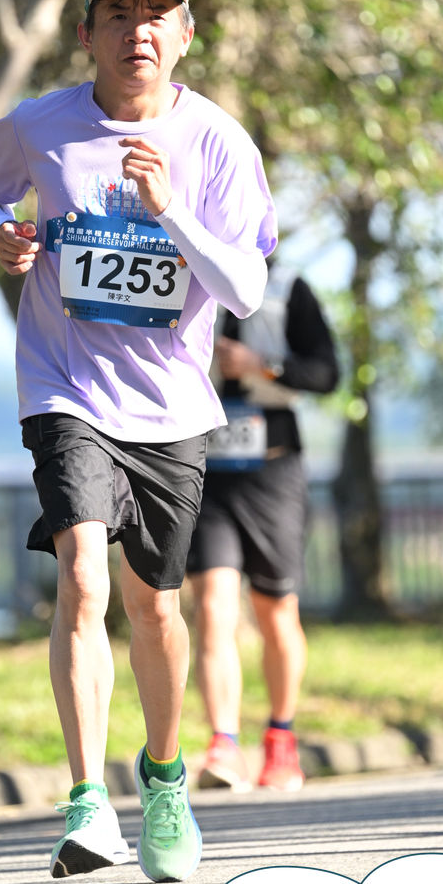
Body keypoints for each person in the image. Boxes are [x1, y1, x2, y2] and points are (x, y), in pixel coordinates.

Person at [0, 0, 277, 883]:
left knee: (153, 606)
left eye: (156, 14)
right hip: (64, 387)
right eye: (118, 14)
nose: (138, 31)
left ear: (184, 36)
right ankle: (86, 800)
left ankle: (164, 778)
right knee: (81, 577)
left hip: (171, 405)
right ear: (86, 33)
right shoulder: (40, 125)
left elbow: (246, 290)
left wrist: (171, 211)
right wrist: (1, 232)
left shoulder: (218, 142)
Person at [186, 258, 339, 793]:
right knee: (212, 607)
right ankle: (223, 744)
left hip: (273, 472)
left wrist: (261, 364)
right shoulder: (181, 271)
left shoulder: (289, 286)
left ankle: (280, 740)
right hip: (207, 473)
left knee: (276, 611)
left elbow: (326, 373)